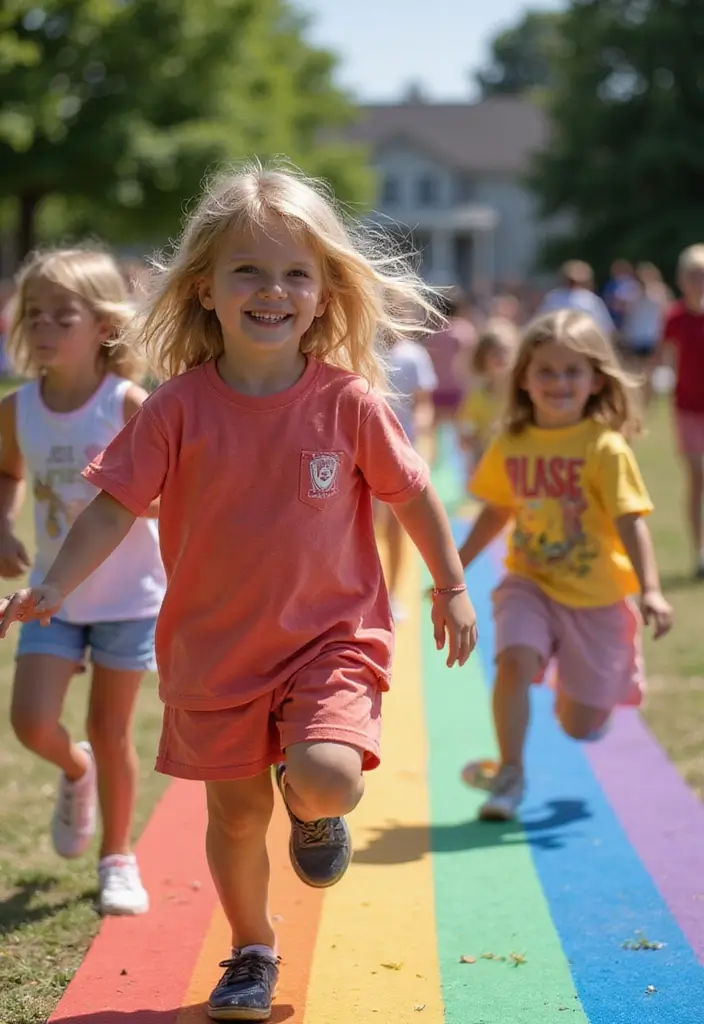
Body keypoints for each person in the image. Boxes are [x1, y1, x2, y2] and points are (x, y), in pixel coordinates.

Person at [0, 164, 478, 1022]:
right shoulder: (175, 409)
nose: (272, 290)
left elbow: (412, 496)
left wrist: (450, 586)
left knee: (326, 776)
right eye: (247, 270)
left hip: (331, 636)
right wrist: (55, 582)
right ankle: (252, 950)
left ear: (324, 295)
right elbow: (111, 509)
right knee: (234, 815)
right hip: (213, 649)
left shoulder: (351, 404)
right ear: (205, 289)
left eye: (295, 273)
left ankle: (313, 809)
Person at [457, 309, 672, 822]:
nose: (558, 382)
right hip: (530, 582)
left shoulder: (604, 448)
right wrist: (454, 569)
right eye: (546, 371)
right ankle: (510, 774)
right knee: (513, 659)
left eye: (572, 371)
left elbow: (630, 521)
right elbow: (496, 510)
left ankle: (589, 693)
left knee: (580, 725)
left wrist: (651, 589)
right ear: (524, 378)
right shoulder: (512, 443)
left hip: (596, 596)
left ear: (596, 379)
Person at [1, 247, 165, 914]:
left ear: (104, 325)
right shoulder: (17, 409)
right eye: (34, 315)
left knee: (112, 726)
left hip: (129, 600)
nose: (44, 328)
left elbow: (174, 490)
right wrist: (2, 525)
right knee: (30, 721)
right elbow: (8, 472)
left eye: (61, 316)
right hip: (51, 595)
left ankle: (117, 858)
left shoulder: (127, 403)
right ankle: (77, 768)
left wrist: (129, 500)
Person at [381, 331, 438, 621]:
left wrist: (418, 435)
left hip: (400, 454)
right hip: (360, 452)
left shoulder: (413, 356)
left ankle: (391, 594)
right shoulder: (359, 347)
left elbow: (423, 403)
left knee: (395, 528)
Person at [657, 244, 704, 579]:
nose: (698, 281)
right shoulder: (674, 318)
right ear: (681, 280)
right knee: (698, 476)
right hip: (686, 409)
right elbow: (659, 360)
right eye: (693, 275)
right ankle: (699, 551)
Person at [456, 318, 517, 481]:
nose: (501, 358)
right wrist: (471, 447)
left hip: (517, 461)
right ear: (483, 358)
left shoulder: (523, 393)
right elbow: (467, 429)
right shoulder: (477, 396)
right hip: (488, 462)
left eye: (506, 351)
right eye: (495, 353)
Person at [620, 262, 670, 403]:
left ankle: (645, 400)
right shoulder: (639, 293)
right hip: (642, 337)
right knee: (641, 372)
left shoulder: (644, 293)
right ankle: (642, 399)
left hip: (646, 338)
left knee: (643, 372)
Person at [539, 260, 615, 339]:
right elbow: (542, 320)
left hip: (584, 338)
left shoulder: (590, 299)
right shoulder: (554, 297)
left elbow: (605, 326)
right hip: (559, 338)